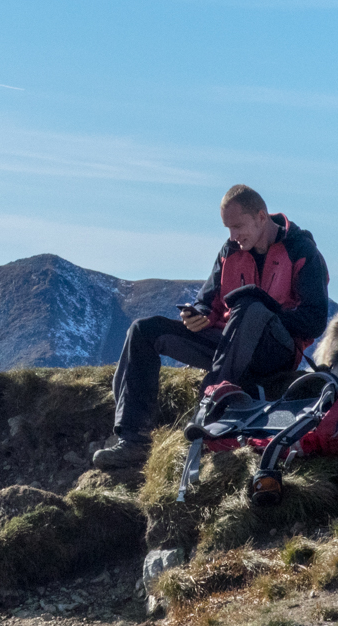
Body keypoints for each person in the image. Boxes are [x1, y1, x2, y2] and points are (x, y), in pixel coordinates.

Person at [94, 185, 329, 470]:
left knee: (250, 305)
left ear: (261, 217)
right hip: (227, 345)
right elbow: (207, 302)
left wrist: (268, 310)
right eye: (227, 228)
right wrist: (198, 315)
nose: (233, 235)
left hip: (275, 351)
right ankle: (133, 441)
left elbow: (314, 320)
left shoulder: (302, 250)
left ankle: (206, 413)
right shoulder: (229, 252)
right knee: (144, 330)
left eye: (238, 226)